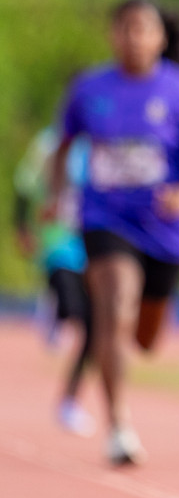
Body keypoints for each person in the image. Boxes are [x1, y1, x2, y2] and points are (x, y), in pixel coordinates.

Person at [50, 0, 179, 467]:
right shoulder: (90, 89)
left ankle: (135, 343)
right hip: (106, 218)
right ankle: (120, 426)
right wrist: (55, 195)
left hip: (167, 227)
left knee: (145, 336)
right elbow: (62, 147)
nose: (134, 38)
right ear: (113, 35)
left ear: (161, 38)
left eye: (144, 29)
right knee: (113, 310)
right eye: (125, 28)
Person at [15, 124, 94, 435]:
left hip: (96, 240)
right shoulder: (48, 143)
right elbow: (24, 185)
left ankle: (70, 401)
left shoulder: (106, 142)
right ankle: (55, 308)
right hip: (59, 237)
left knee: (94, 328)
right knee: (71, 306)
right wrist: (21, 227)